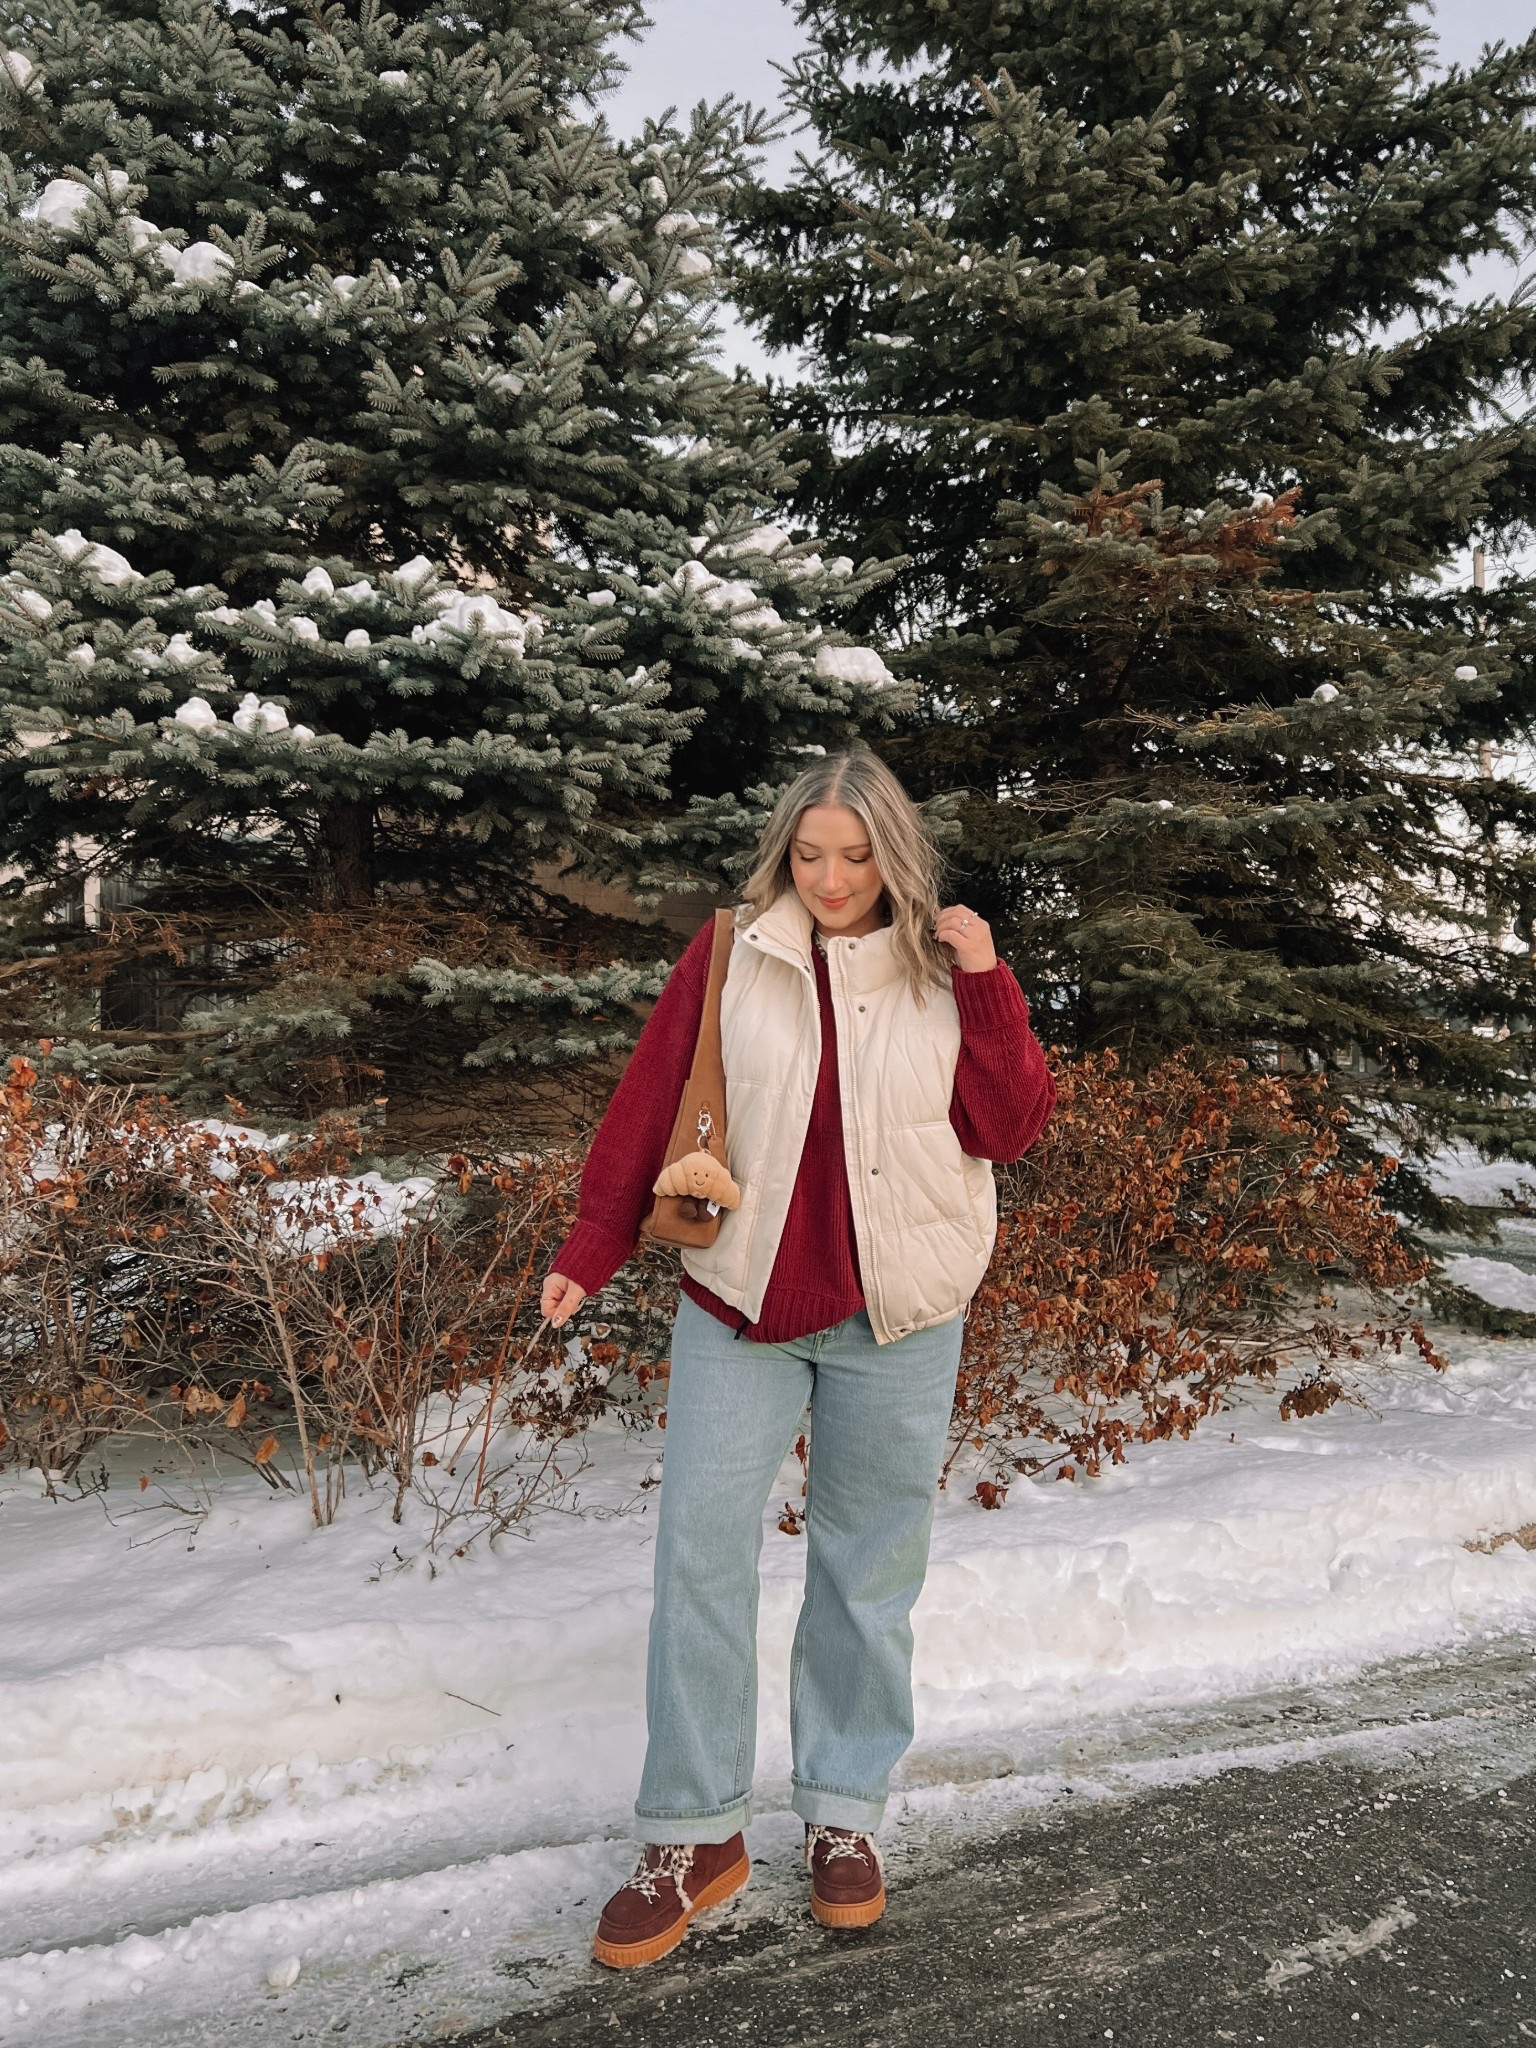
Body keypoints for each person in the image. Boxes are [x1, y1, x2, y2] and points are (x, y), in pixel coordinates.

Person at [540, 747, 1055, 1968]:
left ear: (897, 854)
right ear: (788, 850)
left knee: (868, 1570)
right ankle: (693, 1832)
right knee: (701, 1559)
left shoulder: (945, 967)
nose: (832, 878)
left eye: (858, 853)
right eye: (812, 852)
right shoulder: (733, 953)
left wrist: (985, 982)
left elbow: (1009, 1123)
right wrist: (592, 1240)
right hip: (740, 1296)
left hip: (904, 1307)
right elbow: (650, 1097)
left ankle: (844, 1813)